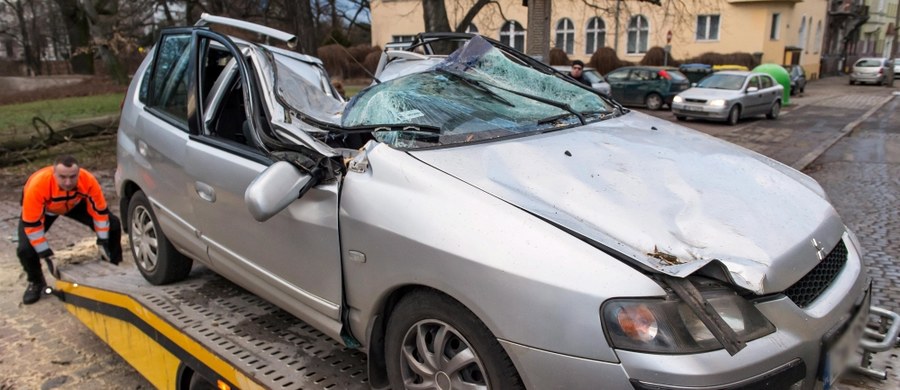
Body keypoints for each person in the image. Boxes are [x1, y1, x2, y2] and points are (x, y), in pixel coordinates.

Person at [17, 155, 122, 304]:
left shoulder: (88, 180)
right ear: (54, 174)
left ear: (79, 173)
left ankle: (113, 262)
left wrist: (102, 240)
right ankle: (36, 282)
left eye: (73, 177)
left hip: (74, 204)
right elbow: (32, 226)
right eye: (63, 177)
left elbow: (100, 212)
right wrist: (46, 254)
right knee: (25, 249)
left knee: (114, 224)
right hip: (45, 209)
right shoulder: (37, 186)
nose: (68, 182)